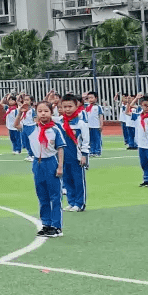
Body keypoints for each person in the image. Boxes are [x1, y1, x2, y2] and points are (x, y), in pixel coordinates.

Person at [24, 99, 63, 236]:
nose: (43, 114)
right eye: (40, 111)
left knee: (55, 195)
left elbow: (60, 148)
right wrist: (20, 112)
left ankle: (56, 226)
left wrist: (60, 167)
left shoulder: (55, 129)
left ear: (51, 113)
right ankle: (46, 224)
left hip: (51, 162)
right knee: (42, 195)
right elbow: (16, 125)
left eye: (46, 111)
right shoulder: (32, 128)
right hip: (37, 163)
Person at [57, 93, 90, 213]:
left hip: (76, 157)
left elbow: (85, 141)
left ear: (76, 106)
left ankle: (80, 203)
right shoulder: (60, 121)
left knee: (78, 180)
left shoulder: (81, 123)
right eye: (64, 107)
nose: (67, 109)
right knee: (67, 180)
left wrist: (84, 155)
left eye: (70, 106)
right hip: (63, 157)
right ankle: (71, 202)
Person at [82, 91, 103, 157]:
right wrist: (84, 97)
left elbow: (101, 116)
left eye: (92, 97)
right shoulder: (86, 106)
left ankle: (97, 151)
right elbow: (80, 103)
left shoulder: (98, 107)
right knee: (90, 139)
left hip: (96, 126)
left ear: (96, 98)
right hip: (88, 126)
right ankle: (91, 151)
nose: (90, 99)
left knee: (97, 139)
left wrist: (101, 124)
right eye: (89, 98)